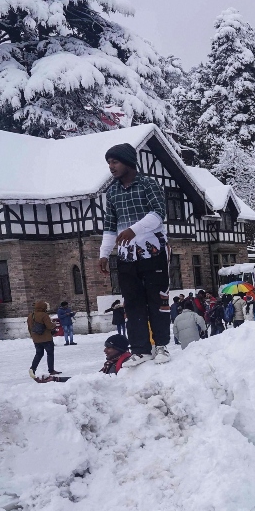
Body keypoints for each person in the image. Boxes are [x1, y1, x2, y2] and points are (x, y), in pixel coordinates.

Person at [95, 142, 171, 366]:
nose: (111, 166)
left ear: (128, 161)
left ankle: (162, 346)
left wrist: (133, 229)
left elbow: (158, 214)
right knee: (132, 303)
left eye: (115, 161)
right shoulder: (112, 193)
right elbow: (110, 226)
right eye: (108, 162)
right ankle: (140, 350)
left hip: (153, 252)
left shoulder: (148, 184)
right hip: (127, 257)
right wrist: (104, 254)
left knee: (157, 301)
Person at [27, 301, 58, 378]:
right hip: (46, 338)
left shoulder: (31, 316)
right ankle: (51, 370)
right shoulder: (44, 315)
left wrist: (32, 336)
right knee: (50, 353)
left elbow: (29, 328)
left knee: (39, 354)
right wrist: (54, 324)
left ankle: (32, 369)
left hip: (36, 339)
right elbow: (49, 326)